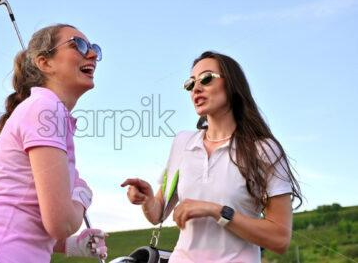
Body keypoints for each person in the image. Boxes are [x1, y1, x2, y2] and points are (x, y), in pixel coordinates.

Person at [121, 51, 302, 263]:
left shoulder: (264, 150)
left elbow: (279, 239)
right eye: (190, 84)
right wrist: (148, 199)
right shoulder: (182, 143)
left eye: (206, 79)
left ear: (232, 85)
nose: (196, 88)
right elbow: (157, 214)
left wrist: (216, 211)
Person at [0, 24, 108, 263]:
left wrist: (72, 245)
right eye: (79, 45)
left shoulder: (47, 111)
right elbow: (61, 223)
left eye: (94, 48)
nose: (93, 54)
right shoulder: (46, 108)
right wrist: (82, 197)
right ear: (45, 63)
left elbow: (26, 219)